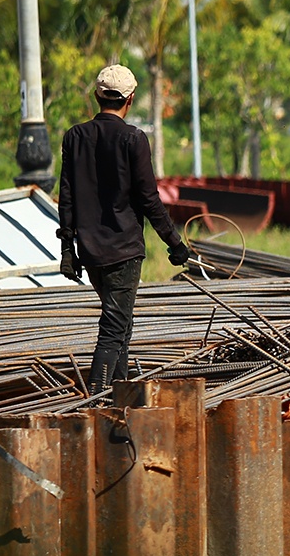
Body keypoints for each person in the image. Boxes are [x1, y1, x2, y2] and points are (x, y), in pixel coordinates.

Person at [56, 64, 190, 392]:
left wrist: (67, 251)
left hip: (90, 253)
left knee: (121, 326)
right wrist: (175, 243)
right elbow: (149, 200)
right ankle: (97, 401)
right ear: (129, 100)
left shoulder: (75, 137)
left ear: (97, 97)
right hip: (124, 252)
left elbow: (67, 199)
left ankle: (120, 393)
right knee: (114, 329)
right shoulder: (133, 139)